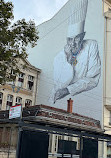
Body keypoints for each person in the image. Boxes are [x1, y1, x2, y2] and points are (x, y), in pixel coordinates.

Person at [51, 0, 101, 103]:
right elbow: (60, 85)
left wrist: (69, 89)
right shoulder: (59, 57)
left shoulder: (91, 45)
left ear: (83, 36)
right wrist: (68, 60)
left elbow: (93, 79)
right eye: (69, 39)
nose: (73, 43)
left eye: (76, 38)